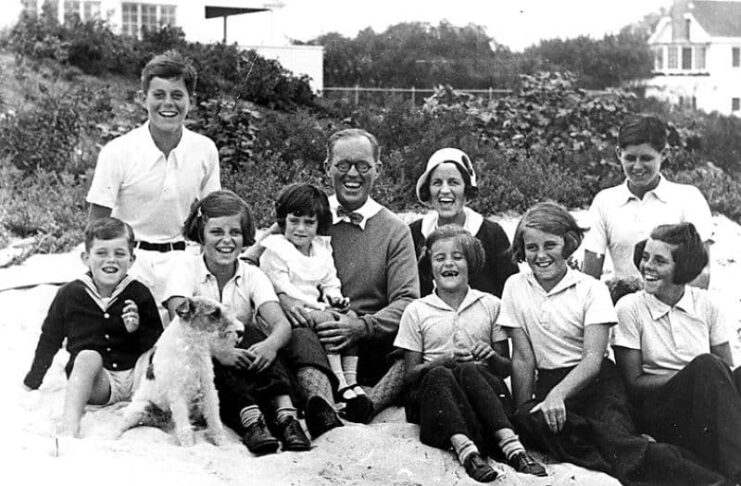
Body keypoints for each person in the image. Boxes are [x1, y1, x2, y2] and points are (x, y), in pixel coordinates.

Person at [499, 202, 724, 486]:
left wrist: (557, 396)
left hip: (597, 384)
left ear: (568, 244)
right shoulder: (515, 286)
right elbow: (522, 357)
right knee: (533, 421)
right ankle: (622, 444)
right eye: (531, 247)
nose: (540, 255)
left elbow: (592, 359)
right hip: (550, 380)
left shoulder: (590, 289)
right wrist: (524, 411)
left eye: (550, 245)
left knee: (617, 440)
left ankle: (705, 479)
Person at [246, 128, 419, 435]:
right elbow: (250, 263)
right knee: (302, 337)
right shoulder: (306, 213)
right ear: (327, 167)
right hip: (311, 333)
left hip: (367, 340)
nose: (352, 174)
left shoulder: (395, 230)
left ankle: (369, 404)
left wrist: (362, 326)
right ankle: (322, 406)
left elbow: (407, 300)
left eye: (363, 166)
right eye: (343, 165)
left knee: (419, 343)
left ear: (378, 169)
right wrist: (283, 299)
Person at [162, 190, 311, 455]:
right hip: (197, 367)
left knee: (251, 332)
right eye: (216, 232)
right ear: (201, 234)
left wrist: (270, 346)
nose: (227, 240)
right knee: (216, 343)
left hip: (243, 367)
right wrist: (222, 352)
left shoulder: (251, 274)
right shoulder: (186, 268)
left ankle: (286, 415)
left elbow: (281, 324)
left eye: (235, 232)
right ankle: (251, 421)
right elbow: (181, 320)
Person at [395, 225, 546, 483]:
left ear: (471, 263)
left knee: (468, 369)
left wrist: (490, 356)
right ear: (429, 265)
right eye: (439, 258)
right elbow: (409, 376)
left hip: (483, 401)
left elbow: (504, 368)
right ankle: (467, 452)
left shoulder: (491, 305)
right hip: (436, 402)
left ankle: (512, 447)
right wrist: (443, 361)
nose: (448, 263)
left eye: (458, 257)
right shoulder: (417, 310)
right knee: (441, 373)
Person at [86, 50, 221, 311]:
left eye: (177, 95)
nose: (168, 104)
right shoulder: (117, 151)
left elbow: (213, 215)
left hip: (183, 257)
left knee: (191, 323)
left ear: (191, 101)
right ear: (143, 98)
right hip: (130, 259)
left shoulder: (205, 149)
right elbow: (97, 222)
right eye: (159, 95)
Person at [614, 222, 741, 482]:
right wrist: (691, 376)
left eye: (659, 261)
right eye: (645, 257)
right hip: (660, 409)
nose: (647, 266)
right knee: (706, 366)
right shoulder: (630, 308)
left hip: (705, 405)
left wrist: (700, 378)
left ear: (683, 267)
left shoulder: (707, 304)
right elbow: (633, 382)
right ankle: (736, 471)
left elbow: (726, 369)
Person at [23, 217, 163, 438]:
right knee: (87, 356)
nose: (111, 260)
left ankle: (163, 410)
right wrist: (33, 379)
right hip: (100, 384)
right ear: (86, 258)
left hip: (139, 380)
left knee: (159, 352)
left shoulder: (139, 292)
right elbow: (49, 338)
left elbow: (158, 342)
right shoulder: (70, 294)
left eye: (119, 253)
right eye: (101, 253)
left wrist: (136, 329)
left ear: (132, 259)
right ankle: (70, 426)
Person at [260, 183, 373, 417]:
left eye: (309, 222)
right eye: (294, 221)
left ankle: (351, 379)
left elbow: (330, 280)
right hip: (291, 310)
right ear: (283, 221)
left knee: (350, 317)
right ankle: (340, 382)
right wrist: (320, 309)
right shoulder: (276, 250)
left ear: (318, 224)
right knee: (328, 320)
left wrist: (337, 300)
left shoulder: (320, 250)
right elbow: (282, 287)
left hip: (315, 307)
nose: (300, 229)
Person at [583, 114, 712, 288]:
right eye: (630, 158)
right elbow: (590, 277)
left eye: (646, 158)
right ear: (619, 154)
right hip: (623, 300)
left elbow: (701, 274)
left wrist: (679, 304)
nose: (637, 167)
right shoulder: (604, 201)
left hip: (674, 301)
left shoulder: (688, 198)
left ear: (664, 154)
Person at [409, 148, 518, 297]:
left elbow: (512, 292)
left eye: (453, 182)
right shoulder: (414, 234)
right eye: (437, 183)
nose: (444, 190)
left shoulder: (492, 234)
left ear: (466, 190)